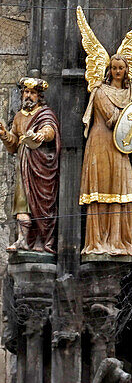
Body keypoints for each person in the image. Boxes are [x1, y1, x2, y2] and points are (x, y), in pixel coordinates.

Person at [79, 41, 132, 255]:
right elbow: (113, 118)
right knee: (101, 189)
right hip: (101, 143)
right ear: (108, 70)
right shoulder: (101, 91)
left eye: (121, 68)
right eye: (114, 68)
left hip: (119, 146)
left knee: (121, 189)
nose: (117, 71)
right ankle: (98, 242)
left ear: (126, 70)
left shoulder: (128, 93)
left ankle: (119, 241)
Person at [0, 78, 60, 253]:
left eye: (32, 93)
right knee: (22, 202)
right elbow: (13, 144)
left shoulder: (45, 113)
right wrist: (4, 135)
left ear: (39, 96)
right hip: (23, 166)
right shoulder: (19, 116)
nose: (28, 96)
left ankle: (43, 240)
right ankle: (22, 240)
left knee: (42, 203)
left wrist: (42, 134)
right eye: (26, 92)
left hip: (41, 166)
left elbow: (50, 129)